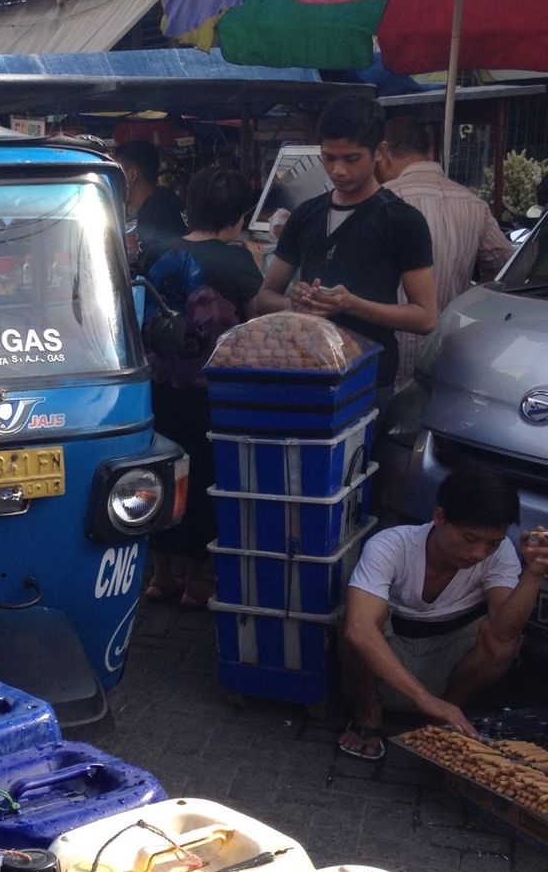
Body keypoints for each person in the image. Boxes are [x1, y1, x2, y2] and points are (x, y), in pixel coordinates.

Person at [339, 467, 548, 759]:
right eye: (469, 538)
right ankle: (368, 714)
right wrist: (424, 699)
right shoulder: (391, 545)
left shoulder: (500, 555)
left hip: (446, 667)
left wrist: (534, 574)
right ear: (439, 518)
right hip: (385, 663)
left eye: (492, 543)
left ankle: (440, 721)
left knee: (504, 641)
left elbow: (504, 631)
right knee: (356, 618)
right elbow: (358, 630)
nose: (478, 553)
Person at [257, 95, 438, 413]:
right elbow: (266, 297)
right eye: (328, 158)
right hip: (306, 368)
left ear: (379, 152)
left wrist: (352, 305)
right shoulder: (305, 215)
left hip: (367, 378)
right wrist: (295, 304)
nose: (338, 170)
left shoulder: (402, 221)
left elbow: (425, 316)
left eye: (352, 159)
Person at [141, 167, 263, 608]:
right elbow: (257, 320)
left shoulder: (155, 252)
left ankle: (159, 576)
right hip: (212, 393)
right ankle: (197, 582)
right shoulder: (237, 260)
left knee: (161, 470)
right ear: (237, 216)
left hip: (159, 384)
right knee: (205, 477)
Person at [375, 116, 515, 383]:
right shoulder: (473, 203)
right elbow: (506, 266)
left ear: (382, 153)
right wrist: (469, 301)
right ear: (429, 151)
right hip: (449, 349)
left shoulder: (381, 202)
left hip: (390, 352)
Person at [113, 140, 186, 271]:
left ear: (133, 174)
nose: (113, 179)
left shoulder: (156, 213)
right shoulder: (167, 201)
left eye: (117, 171)